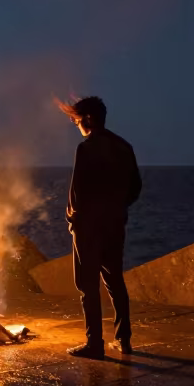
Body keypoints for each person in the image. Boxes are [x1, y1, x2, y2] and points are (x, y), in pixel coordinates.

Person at [57, 95, 141, 359]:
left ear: (89, 119)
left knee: (87, 284)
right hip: (115, 223)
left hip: (89, 227)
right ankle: (124, 339)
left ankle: (95, 343)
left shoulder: (87, 148)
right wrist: (118, 207)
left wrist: (73, 219)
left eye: (78, 120)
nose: (77, 125)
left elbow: (77, 192)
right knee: (115, 279)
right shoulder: (124, 147)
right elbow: (136, 187)